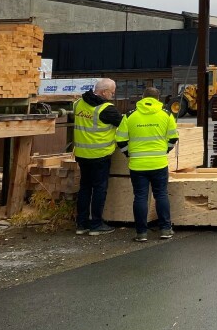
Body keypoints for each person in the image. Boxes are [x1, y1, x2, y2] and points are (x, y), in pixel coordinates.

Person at [116, 87, 179, 242]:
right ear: (158, 99)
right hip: (159, 163)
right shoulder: (166, 114)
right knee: (161, 195)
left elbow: (121, 140)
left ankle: (141, 233)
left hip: (137, 165)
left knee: (140, 197)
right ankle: (165, 229)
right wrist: (165, 151)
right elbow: (173, 138)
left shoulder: (130, 116)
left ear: (142, 98)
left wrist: (128, 153)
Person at [72, 78, 122, 236]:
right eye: (111, 92)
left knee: (85, 188)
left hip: (81, 154)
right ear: (103, 92)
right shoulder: (107, 109)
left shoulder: (78, 103)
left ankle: (81, 224)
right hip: (100, 156)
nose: (112, 95)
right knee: (99, 189)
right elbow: (124, 124)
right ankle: (96, 224)